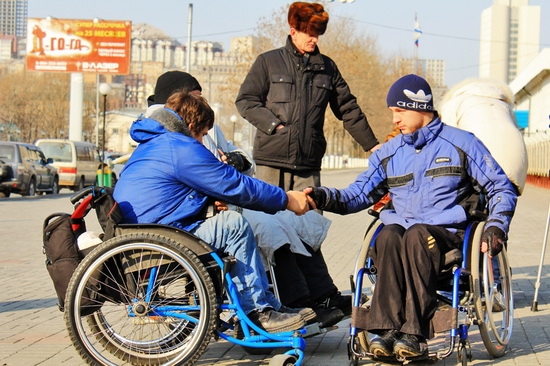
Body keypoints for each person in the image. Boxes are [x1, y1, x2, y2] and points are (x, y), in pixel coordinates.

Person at [305, 74, 518, 359]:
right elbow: (357, 195)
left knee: (417, 235)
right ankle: (387, 331)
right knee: (389, 234)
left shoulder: (462, 143)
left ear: (420, 107)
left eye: (399, 111)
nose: (394, 120)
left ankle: (413, 334)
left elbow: (500, 186)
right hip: (402, 234)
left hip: (444, 234)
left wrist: (496, 226)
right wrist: (322, 196)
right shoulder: (390, 153)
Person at [144, 70, 351, 328]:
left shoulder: (182, 135)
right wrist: (281, 199)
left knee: (296, 221)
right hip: (197, 216)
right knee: (267, 228)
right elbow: (221, 184)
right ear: (179, 105)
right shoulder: (173, 140)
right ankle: (285, 304)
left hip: (208, 207)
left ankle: (322, 295)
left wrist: (236, 160)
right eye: (195, 99)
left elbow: (237, 169)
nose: (201, 104)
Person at [113, 90, 314, 334]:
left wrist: (205, 200)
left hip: (149, 229)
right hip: (160, 235)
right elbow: (234, 184)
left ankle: (268, 305)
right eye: (203, 134)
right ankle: (257, 312)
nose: (202, 141)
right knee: (233, 225)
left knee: (229, 221)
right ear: (190, 125)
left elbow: (167, 192)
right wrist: (285, 199)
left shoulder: (155, 143)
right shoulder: (180, 146)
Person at [235, 1, 380, 191]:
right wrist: (274, 126)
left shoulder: (328, 69)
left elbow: (348, 109)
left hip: (308, 164)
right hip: (271, 161)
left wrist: (372, 145)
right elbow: (246, 100)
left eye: (317, 35)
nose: (315, 40)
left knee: (310, 220)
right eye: (310, 35)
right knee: (267, 220)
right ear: (294, 31)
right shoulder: (268, 62)